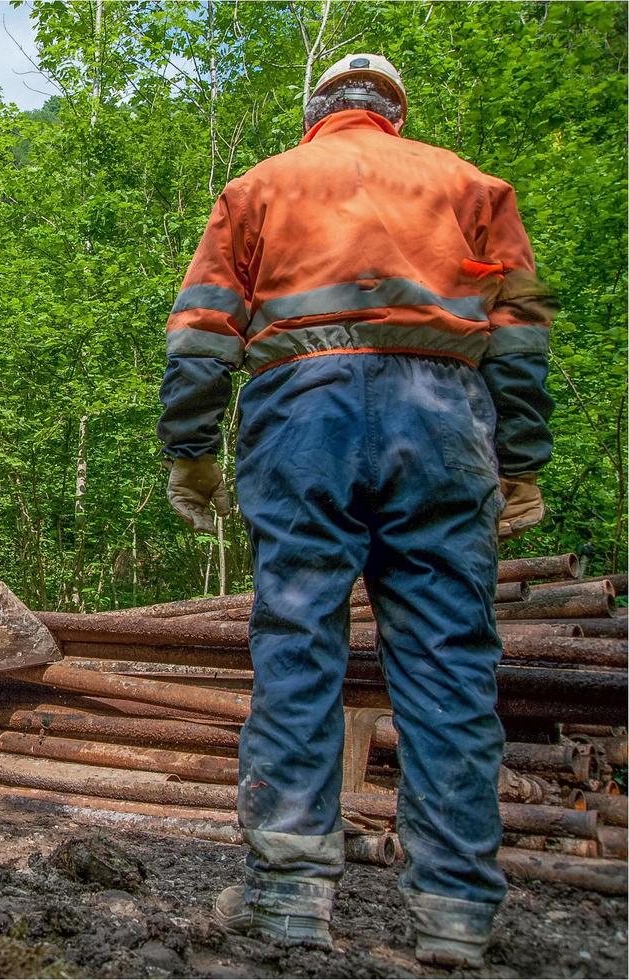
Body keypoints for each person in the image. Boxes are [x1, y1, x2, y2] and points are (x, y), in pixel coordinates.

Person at [157, 54, 556, 967]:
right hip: (444, 419)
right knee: (451, 660)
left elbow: (202, 329)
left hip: (304, 414)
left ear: (316, 114)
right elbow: (524, 334)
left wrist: (191, 454)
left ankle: (289, 896)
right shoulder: (473, 187)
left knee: (299, 646)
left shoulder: (259, 186)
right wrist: (522, 459)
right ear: (395, 112)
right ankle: (456, 908)